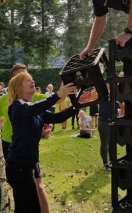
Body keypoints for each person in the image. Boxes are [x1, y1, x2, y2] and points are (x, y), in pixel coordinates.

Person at [6, 72, 78, 213]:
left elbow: (57, 117)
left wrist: (77, 106)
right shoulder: (17, 106)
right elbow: (33, 109)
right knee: (31, 208)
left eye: (32, 79)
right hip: (18, 166)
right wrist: (57, 95)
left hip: (28, 164)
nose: (32, 81)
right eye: (27, 81)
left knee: (24, 207)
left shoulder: (35, 110)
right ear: (17, 87)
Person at [98, 85, 119, 170]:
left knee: (112, 143)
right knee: (105, 143)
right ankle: (105, 163)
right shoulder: (103, 97)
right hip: (104, 122)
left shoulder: (116, 97)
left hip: (113, 122)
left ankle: (112, 161)